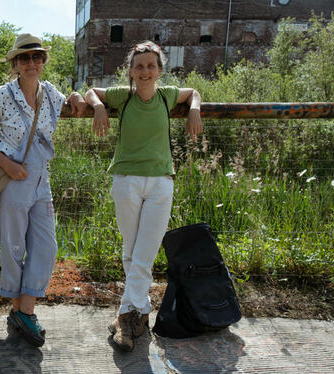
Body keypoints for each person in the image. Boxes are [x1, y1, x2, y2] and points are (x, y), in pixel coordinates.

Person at [84, 40, 203, 351]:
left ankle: (126, 316)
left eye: (151, 65)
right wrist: (98, 107)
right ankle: (139, 316)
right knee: (132, 249)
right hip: (126, 180)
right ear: (131, 71)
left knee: (145, 253)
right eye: (139, 66)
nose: (145, 71)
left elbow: (194, 93)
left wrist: (194, 110)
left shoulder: (166, 96)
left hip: (161, 183)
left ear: (160, 70)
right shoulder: (123, 97)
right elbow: (91, 92)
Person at [0, 33, 86, 347]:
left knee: (46, 246)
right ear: (15, 63)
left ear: (43, 61)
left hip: (41, 180)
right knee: (12, 248)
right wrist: (9, 166)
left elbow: (73, 101)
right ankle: (20, 313)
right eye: (24, 58)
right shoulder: (1, 95)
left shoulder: (50, 94)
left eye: (37, 56)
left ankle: (25, 310)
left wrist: (78, 96)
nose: (31, 62)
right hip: (10, 178)